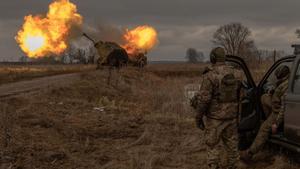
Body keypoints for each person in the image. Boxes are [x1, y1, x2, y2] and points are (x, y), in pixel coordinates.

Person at [190, 47, 242, 169]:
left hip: (215, 119)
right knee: (232, 147)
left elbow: (204, 100)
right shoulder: (237, 74)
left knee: (212, 146)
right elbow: (241, 96)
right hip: (232, 117)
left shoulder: (210, 76)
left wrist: (198, 118)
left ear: (213, 58)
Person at [240, 65, 290, 161]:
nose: (277, 78)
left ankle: (249, 153)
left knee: (264, 128)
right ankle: (269, 119)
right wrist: (272, 91)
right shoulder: (288, 82)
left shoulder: (286, 87)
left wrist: (276, 123)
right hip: (277, 105)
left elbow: (283, 108)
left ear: (281, 75)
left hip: (278, 112)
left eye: (278, 76)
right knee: (264, 97)